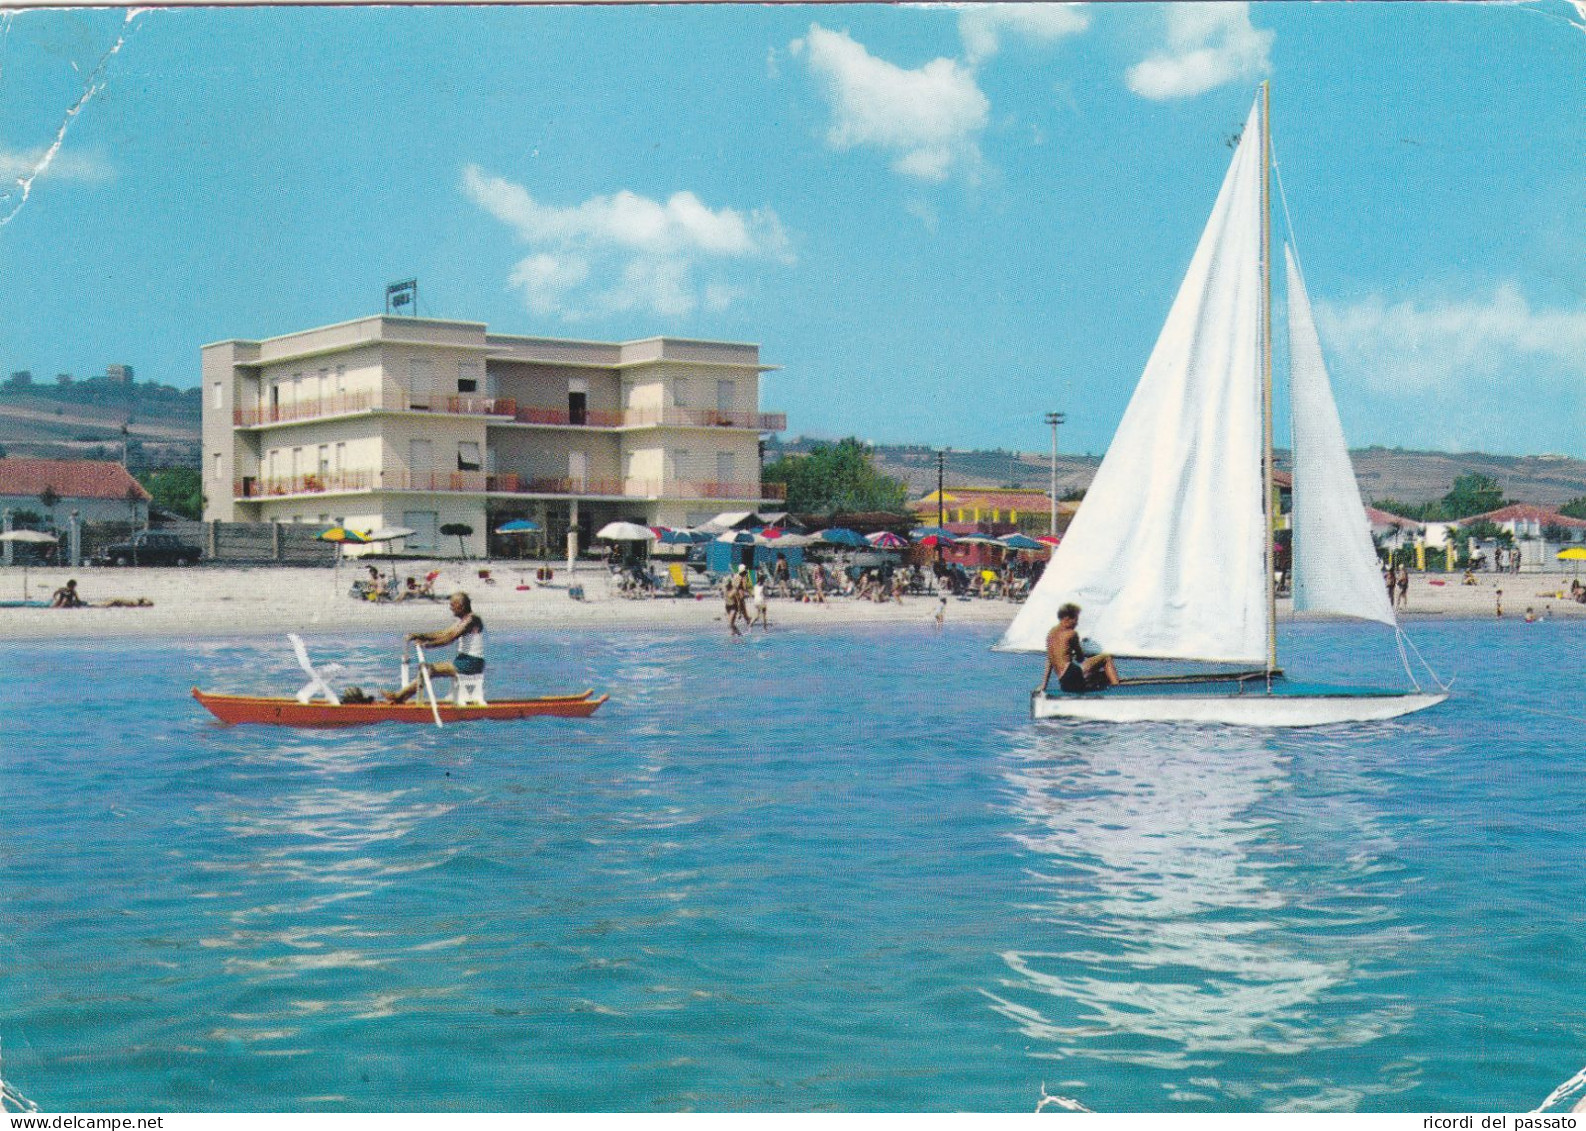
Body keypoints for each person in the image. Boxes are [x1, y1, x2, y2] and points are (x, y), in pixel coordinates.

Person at [384, 592, 485, 702]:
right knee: (426, 670)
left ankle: (399, 696)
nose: (450, 608)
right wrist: (420, 636)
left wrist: (429, 645)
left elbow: (450, 637)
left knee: (428, 670)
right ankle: (400, 698)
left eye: (452, 605)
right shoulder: (462, 620)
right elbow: (443, 633)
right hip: (464, 661)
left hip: (471, 663)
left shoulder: (472, 620)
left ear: (461, 606)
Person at [1039, 603, 1119, 695]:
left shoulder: (1050, 634)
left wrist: (1044, 685)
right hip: (1072, 675)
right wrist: (1088, 648)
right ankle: (1118, 691)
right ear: (1067, 619)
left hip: (1064, 683)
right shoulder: (1071, 634)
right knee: (1106, 658)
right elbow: (1080, 658)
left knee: (1099, 674)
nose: (1076, 623)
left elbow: (1050, 661)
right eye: (1075, 620)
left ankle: (1105, 685)